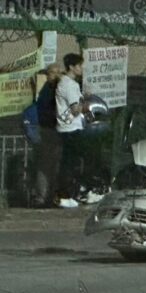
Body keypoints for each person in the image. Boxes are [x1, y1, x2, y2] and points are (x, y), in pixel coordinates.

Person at [55, 53, 86, 208]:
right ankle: (65, 194)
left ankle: (69, 193)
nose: (81, 68)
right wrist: (85, 103)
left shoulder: (68, 84)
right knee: (70, 163)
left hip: (68, 127)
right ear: (72, 67)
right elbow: (75, 109)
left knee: (71, 161)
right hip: (70, 128)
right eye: (79, 66)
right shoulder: (69, 85)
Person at [31, 63, 62, 207]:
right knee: (45, 165)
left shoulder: (59, 89)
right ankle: (42, 197)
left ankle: (51, 196)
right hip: (48, 130)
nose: (56, 75)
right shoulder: (47, 91)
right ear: (48, 75)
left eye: (58, 72)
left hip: (57, 130)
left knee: (55, 165)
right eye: (53, 73)